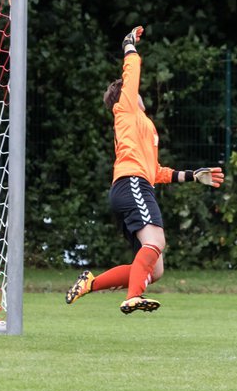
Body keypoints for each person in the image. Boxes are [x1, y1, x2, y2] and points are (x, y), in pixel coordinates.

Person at [65, 26, 224, 314]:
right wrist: (128, 44)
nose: (139, 94)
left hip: (137, 184)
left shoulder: (142, 126)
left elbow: (156, 171)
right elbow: (133, 68)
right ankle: (132, 296)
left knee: (156, 266)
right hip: (131, 185)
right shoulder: (125, 109)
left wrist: (190, 175)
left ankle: (90, 282)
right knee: (157, 241)